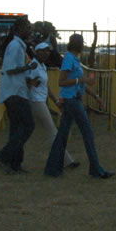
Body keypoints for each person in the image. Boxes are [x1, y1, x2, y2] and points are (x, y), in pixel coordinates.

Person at [44, 34, 114, 179]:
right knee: (87, 134)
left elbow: (81, 83)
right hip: (71, 101)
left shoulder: (75, 59)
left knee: (62, 135)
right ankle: (96, 169)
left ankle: (52, 168)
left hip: (72, 100)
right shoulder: (69, 58)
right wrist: (81, 79)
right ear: (78, 44)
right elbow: (62, 82)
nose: (83, 45)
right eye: (82, 43)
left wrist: (95, 96)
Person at [0, 16, 38, 174]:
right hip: (14, 93)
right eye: (28, 27)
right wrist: (28, 67)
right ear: (20, 29)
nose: (30, 30)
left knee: (16, 129)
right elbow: (11, 69)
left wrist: (28, 80)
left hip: (16, 91)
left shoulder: (19, 46)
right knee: (28, 125)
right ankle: (4, 156)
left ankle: (15, 164)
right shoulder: (15, 46)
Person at [28, 42, 80, 170]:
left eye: (48, 51)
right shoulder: (33, 66)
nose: (46, 53)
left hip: (40, 100)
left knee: (26, 131)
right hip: (36, 102)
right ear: (36, 52)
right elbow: (27, 82)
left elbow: (46, 87)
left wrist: (55, 100)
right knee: (52, 131)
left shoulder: (42, 66)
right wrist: (31, 84)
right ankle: (67, 161)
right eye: (43, 51)